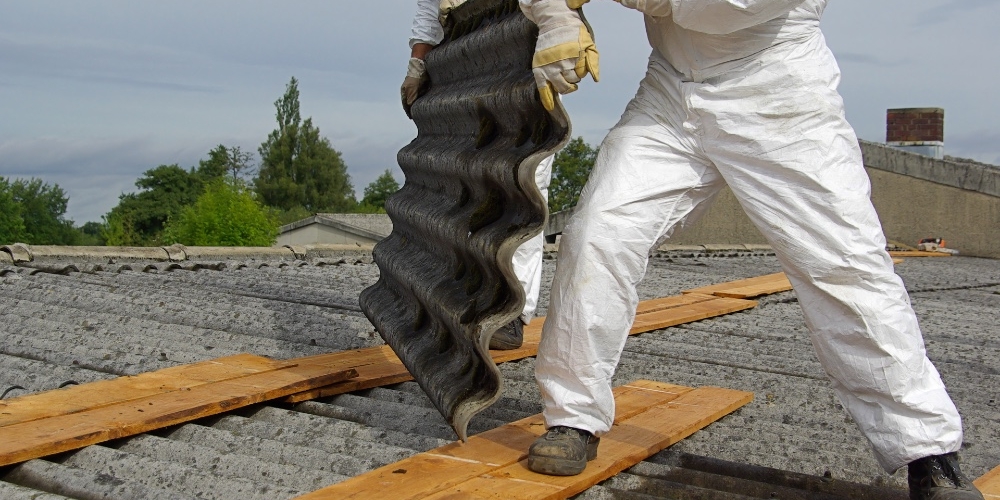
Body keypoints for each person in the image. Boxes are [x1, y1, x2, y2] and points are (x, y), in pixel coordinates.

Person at [517, 0, 985, 498]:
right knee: (598, 233)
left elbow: (716, 7)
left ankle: (927, 451)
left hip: (777, 91)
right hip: (670, 92)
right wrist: (554, 16)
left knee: (843, 265)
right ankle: (573, 417)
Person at [403, 0, 555, 350]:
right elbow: (429, 7)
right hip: (465, 69)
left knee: (523, 188)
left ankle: (514, 313)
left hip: (522, 59)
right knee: (463, 186)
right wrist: (418, 64)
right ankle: (464, 299)